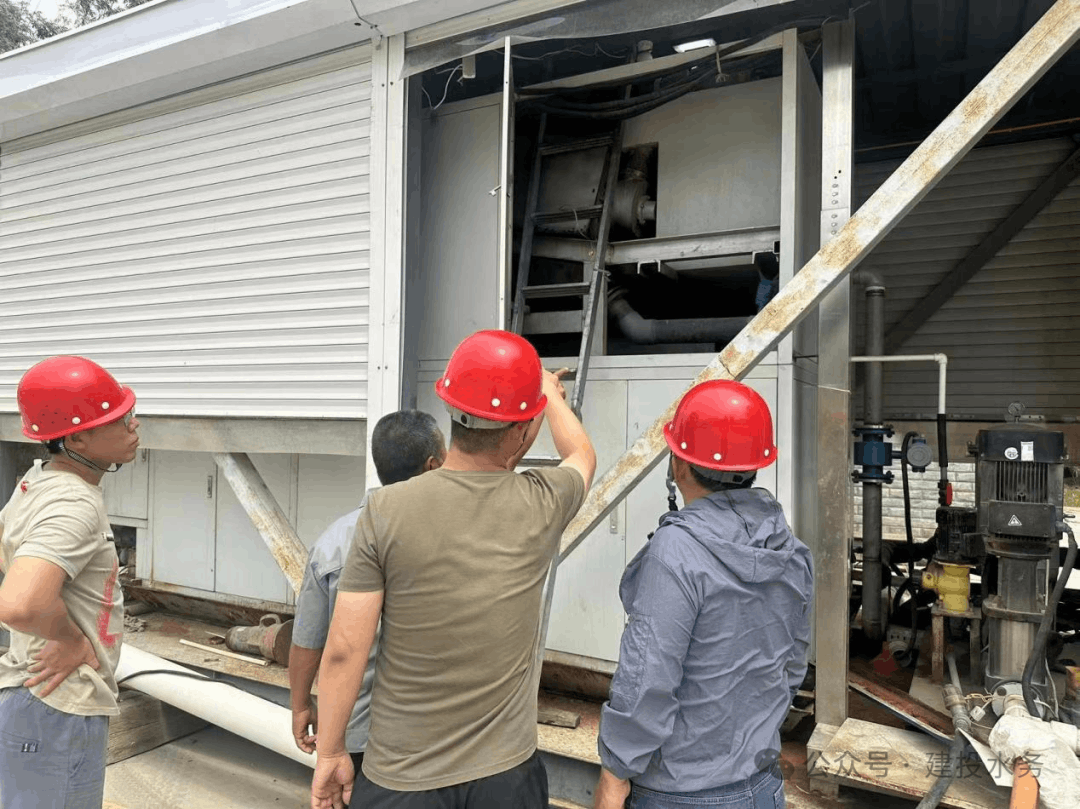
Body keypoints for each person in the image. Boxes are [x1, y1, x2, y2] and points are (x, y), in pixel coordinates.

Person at [310, 329, 596, 809]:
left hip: (402, 778)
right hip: (506, 778)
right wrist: (547, 393)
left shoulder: (385, 511)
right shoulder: (544, 501)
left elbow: (343, 650)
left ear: (450, 408)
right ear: (523, 429)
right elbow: (581, 454)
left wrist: (332, 751)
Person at [593, 380, 813, 809]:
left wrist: (615, 773)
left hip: (679, 794)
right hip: (762, 788)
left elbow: (647, 679)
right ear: (756, 465)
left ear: (679, 466)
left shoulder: (675, 552)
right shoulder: (789, 548)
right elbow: (791, 665)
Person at [0, 356, 139, 809]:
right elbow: (19, 604)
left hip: (32, 701)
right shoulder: (74, 503)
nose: (134, 425)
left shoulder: (38, 482)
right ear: (77, 437)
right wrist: (72, 638)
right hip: (58, 706)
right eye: (119, 418)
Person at [289, 410, 447, 774]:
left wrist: (300, 705)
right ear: (434, 465)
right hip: (434, 738)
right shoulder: (452, 535)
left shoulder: (333, 543)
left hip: (354, 734)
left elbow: (308, 641)